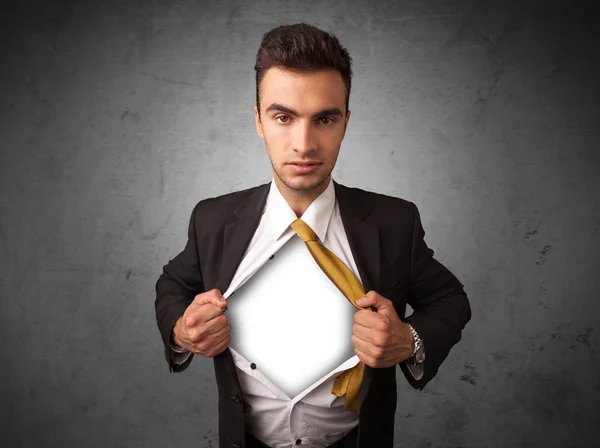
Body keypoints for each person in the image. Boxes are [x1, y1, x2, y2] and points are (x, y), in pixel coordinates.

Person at [155, 22, 471, 448]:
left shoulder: (396, 223)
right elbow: (173, 285)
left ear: (345, 124)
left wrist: (408, 341)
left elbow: (451, 301)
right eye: (283, 117)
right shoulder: (211, 219)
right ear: (259, 122)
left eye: (324, 118)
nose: (303, 144)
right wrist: (181, 330)